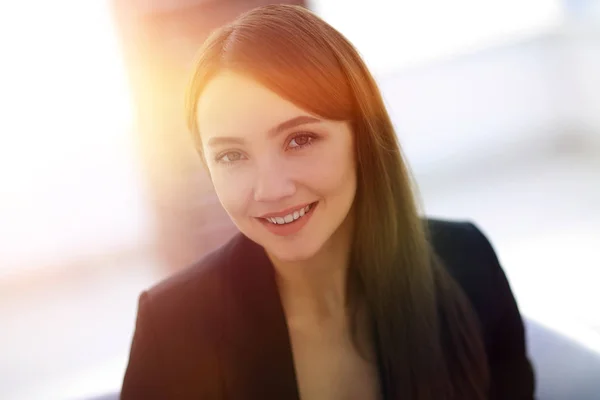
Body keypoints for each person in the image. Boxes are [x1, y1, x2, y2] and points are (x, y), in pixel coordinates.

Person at [121, 5, 535, 399]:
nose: (271, 189)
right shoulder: (172, 327)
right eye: (232, 155)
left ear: (361, 137)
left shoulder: (466, 264)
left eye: (299, 140)